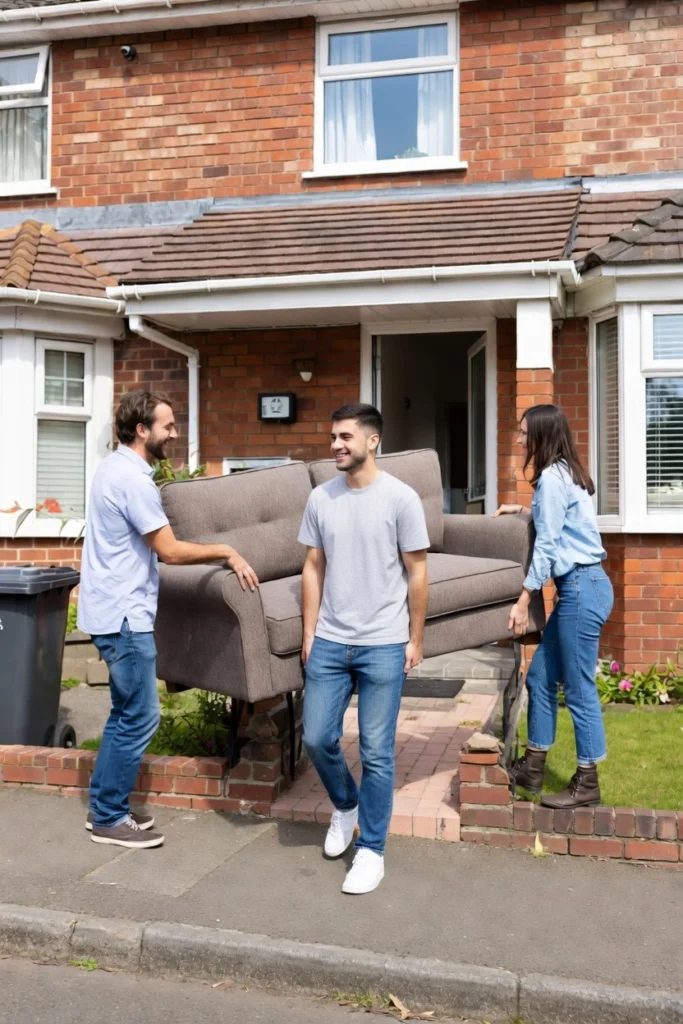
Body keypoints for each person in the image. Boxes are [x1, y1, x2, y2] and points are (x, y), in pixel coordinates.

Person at [78, 390, 259, 849]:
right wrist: (227, 550)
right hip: (124, 616)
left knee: (126, 713)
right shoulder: (133, 481)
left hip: (111, 610)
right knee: (141, 716)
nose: (174, 434)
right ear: (142, 430)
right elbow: (170, 550)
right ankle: (108, 818)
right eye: (168, 426)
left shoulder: (112, 469)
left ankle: (104, 807)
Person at [298, 404, 429, 895]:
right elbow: (313, 566)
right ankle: (345, 804)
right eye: (333, 436)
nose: (336, 444)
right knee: (316, 737)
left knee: (377, 752)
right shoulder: (320, 498)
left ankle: (371, 851)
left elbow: (417, 572)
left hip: (384, 642)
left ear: (372, 441)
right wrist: (309, 634)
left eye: (346, 437)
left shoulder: (401, 499)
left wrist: (415, 638)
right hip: (330, 640)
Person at [494, 404, 613, 809]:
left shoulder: (551, 478)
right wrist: (523, 511)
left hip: (582, 587)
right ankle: (533, 768)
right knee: (539, 676)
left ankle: (587, 781)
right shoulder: (564, 473)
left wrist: (524, 597)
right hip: (583, 587)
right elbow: (559, 525)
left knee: (579, 690)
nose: (521, 439)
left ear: (542, 436)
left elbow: (547, 546)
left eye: (525, 433)